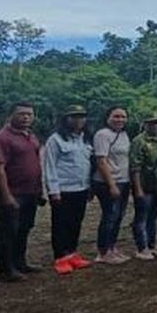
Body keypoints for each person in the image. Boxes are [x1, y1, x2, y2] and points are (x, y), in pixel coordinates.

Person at [0, 102, 44, 281]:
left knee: (24, 229)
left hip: (30, 191)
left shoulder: (31, 136)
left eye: (30, 114)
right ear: (11, 115)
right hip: (12, 192)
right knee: (8, 231)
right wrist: (6, 196)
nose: (26, 117)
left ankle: (20, 262)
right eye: (21, 114)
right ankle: (6, 269)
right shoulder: (2, 138)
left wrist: (39, 189)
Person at [43, 105, 94, 275]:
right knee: (60, 225)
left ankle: (72, 254)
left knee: (76, 223)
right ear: (66, 119)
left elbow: (87, 164)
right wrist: (53, 191)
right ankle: (60, 258)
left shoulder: (85, 139)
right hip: (63, 190)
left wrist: (89, 187)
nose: (78, 120)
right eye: (74, 117)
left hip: (81, 188)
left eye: (82, 117)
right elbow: (50, 166)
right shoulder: (56, 139)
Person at [91, 106, 133, 265]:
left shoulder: (123, 134)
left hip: (124, 180)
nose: (120, 120)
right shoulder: (102, 135)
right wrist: (112, 184)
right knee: (109, 216)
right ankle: (102, 251)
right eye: (116, 116)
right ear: (108, 117)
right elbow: (101, 161)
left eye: (123, 117)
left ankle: (112, 247)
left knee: (118, 216)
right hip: (107, 182)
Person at [129, 113, 157, 260]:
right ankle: (142, 247)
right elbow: (135, 166)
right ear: (145, 124)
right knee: (142, 217)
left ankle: (152, 244)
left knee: (153, 217)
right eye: (151, 123)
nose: (155, 126)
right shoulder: (138, 141)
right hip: (144, 184)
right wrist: (138, 188)